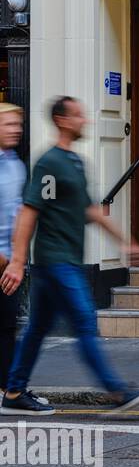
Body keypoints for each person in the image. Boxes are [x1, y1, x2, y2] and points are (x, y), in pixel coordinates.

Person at [0, 96, 139, 414]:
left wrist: (125, 242)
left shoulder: (74, 162)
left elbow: (90, 210)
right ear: (62, 121)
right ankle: (116, 391)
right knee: (85, 322)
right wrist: (17, 261)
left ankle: (14, 392)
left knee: (36, 329)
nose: (84, 121)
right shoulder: (49, 164)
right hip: (55, 260)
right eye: (78, 116)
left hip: (64, 260)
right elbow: (29, 212)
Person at [0, 104, 47, 412]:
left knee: (6, 327)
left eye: (18, 124)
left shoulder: (15, 163)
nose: (16, 129)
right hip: (3, 261)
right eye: (9, 124)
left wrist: (18, 256)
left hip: (10, 261)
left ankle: (11, 389)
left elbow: (20, 212)